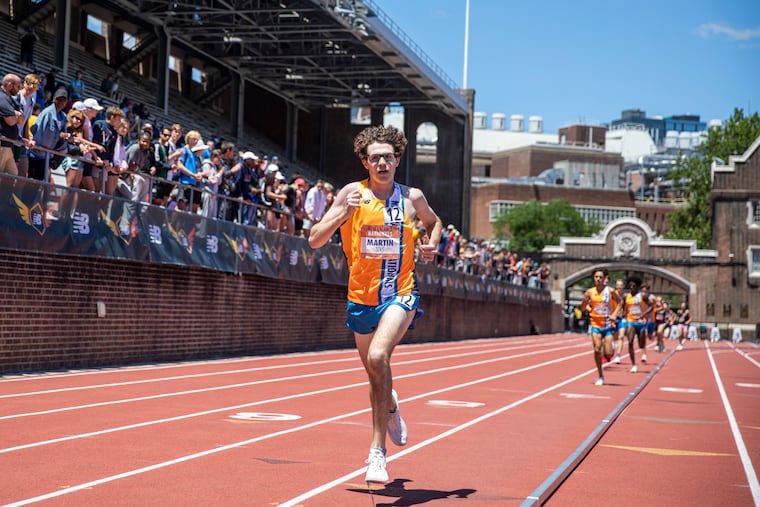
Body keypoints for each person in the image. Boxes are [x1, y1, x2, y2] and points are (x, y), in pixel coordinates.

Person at [308, 125, 442, 484]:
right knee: (374, 372)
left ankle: (376, 454)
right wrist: (340, 214)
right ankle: (392, 405)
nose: (382, 162)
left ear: (397, 160)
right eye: (375, 158)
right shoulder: (352, 193)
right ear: (365, 163)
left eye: (388, 157)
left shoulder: (412, 197)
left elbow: (434, 222)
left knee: (379, 358)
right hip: (361, 297)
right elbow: (314, 240)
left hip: (400, 293)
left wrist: (432, 243)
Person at [579, 268, 621, 386]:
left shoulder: (611, 291)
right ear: (594, 278)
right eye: (596, 277)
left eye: (600, 277)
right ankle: (600, 375)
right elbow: (583, 308)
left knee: (609, 353)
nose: (598, 279)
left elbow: (620, 303)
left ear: (604, 279)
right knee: (597, 349)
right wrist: (584, 303)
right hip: (595, 324)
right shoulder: (589, 292)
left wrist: (614, 314)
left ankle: (609, 346)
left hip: (607, 325)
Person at [29, 88, 69, 181]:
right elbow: (37, 129)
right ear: (54, 99)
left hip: (48, 155)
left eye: (63, 100)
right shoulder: (47, 113)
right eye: (59, 99)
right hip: (37, 153)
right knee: (32, 182)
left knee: (41, 183)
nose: (61, 102)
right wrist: (37, 147)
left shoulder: (63, 116)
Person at [0, 74, 26, 176]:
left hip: (8, 146)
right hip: (2, 145)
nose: (19, 90)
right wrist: (17, 115)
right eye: (18, 86)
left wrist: (17, 114)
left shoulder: (10, 99)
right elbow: (10, 121)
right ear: (10, 85)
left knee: (12, 175)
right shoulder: (2, 98)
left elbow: (22, 119)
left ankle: (7, 193)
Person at [623, 276, 648, 373]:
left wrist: (644, 314)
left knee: (641, 345)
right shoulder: (626, 296)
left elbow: (651, 306)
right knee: (630, 341)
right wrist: (621, 312)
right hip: (631, 321)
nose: (632, 287)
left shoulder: (642, 296)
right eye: (630, 286)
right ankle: (633, 364)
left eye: (634, 286)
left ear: (637, 286)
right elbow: (622, 305)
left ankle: (643, 350)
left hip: (641, 322)